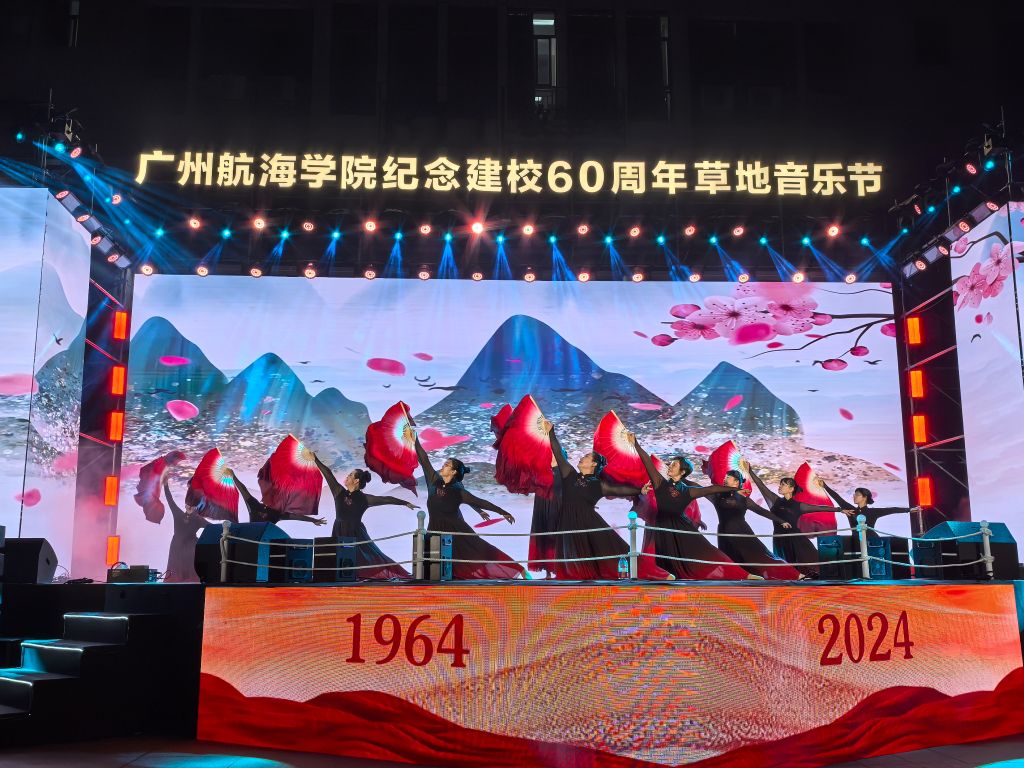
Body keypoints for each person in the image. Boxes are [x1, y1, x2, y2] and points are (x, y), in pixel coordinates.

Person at [627, 433, 756, 580]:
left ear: (682, 472)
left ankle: (742, 574)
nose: (670, 466)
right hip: (662, 526)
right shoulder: (659, 483)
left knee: (708, 551)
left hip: (682, 527)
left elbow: (711, 489)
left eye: (674, 465)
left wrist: (734, 489)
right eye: (671, 464)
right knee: (666, 561)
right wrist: (636, 444)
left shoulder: (688, 491)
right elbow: (647, 462)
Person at [407, 425, 523, 579]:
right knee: (433, 565)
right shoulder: (433, 480)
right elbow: (424, 459)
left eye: (447, 465)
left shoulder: (458, 491)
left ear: (453, 472)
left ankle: (518, 569)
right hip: (435, 528)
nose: (443, 466)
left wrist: (503, 512)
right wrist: (414, 440)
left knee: (482, 551)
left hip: (457, 530)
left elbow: (481, 502)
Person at [543, 419, 647, 580]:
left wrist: (640, 490)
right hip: (567, 520)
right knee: (573, 558)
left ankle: (644, 571)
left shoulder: (599, 484)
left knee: (609, 550)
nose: (581, 458)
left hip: (588, 522)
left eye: (586, 457)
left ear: (593, 464)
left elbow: (619, 490)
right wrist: (551, 432)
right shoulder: (569, 475)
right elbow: (557, 453)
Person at [313, 454, 417, 579]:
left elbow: (385, 499)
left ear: (356, 481)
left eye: (350, 475)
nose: (347, 476)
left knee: (366, 555)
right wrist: (315, 459)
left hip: (355, 531)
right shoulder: (339, 492)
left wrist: (404, 503)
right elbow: (328, 474)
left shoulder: (364, 499)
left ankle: (360, 576)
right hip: (339, 529)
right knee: (338, 555)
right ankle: (342, 576)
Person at [744, 460, 847, 578]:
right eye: (780, 484)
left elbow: (819, 508)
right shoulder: (775, 500)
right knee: (786, 567)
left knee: (807, 566)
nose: (780, 486)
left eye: (783, 484)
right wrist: (750, 471)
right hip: (779, 539)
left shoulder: (798, 506)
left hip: (796, 539)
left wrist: (839, 509)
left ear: (791, 489)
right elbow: (761, 486)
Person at [709, 470, 802, 580]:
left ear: (736, 482)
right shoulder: (717, 495)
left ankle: (794, 574)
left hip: (741, 531)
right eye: (725, 477)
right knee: (730, 559)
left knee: (760, 556)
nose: (725, 479)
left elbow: (761, 511)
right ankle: (738, 579)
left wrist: (780, 521)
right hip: (723, 532)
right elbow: (705, 489)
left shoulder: (743, 499)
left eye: (728, 477)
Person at [818, 479, 921, 540]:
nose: (854, 496)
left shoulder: (872, 512)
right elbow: (837, 498)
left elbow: (891, 510)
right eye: (854, 494)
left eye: (857, 495)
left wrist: (909, 510)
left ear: (864, 497)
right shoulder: (851, 510)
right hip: (856, 542)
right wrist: (825, 486)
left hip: (872, 541)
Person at [225, 468, 327, 527]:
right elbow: (243, 490)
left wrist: (313, 520)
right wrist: (233, 476)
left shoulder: (277, 514)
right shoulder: (254, 505)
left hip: (264, 539)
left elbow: (297, 517)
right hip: (251, 535)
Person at [162, 478, 210, 582]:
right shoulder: (178, 514)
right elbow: (170, 500)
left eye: (192, 505)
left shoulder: (198, 519)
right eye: (188, 504)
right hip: (177, 546)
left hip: (190, 548)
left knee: (191, 570)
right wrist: (165, 485)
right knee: (176, 572)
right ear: (185, 504)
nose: (190, 507)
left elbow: (211, 527)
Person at [527, 462, 562, 578]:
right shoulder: (539, 468)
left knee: (555, 533)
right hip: (542, 503)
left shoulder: (561, 468)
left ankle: (558, 570)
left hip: (556, 503)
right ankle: (548, 571)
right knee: (544, 533)